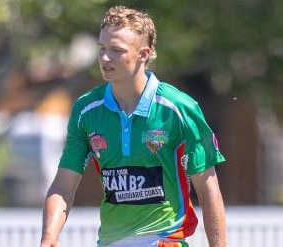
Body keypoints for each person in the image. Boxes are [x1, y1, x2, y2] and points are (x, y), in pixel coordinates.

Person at [40, 5, 227, 247]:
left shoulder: (179, 108)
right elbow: (64, 184)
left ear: (144, 54)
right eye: (102, 48)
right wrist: (49, 236)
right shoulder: (86, 111)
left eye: (116, 50)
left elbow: (208, 188)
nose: (105, 58)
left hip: (164, 240)